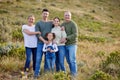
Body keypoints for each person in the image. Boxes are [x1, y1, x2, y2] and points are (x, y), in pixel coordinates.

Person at [34, 9, 53, 78]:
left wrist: (52, 21)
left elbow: (57, 24)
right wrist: (44, 41)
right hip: (40, 43)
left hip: (48, 44)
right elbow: (37, 34)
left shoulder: (50, 23)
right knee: (38, 59)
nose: (45, 15)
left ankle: (46, 74)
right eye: (44, 14)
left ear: (48, 15)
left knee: (47, 59)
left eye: (47, 14)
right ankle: (36, 74)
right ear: (42, 14)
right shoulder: (38, 23)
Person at [61, 11, 78, 76]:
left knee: (72, 59)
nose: (67, 16)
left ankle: (74, 75)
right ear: (64, 16)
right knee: (68, 60)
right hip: (65, 45)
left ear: (70, 16)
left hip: (72, 44)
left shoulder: (73, 24)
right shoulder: (63, 24)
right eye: (66, 15)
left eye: (68, 15)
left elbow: (75, 34)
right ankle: (71, 72)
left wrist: (66, 38)